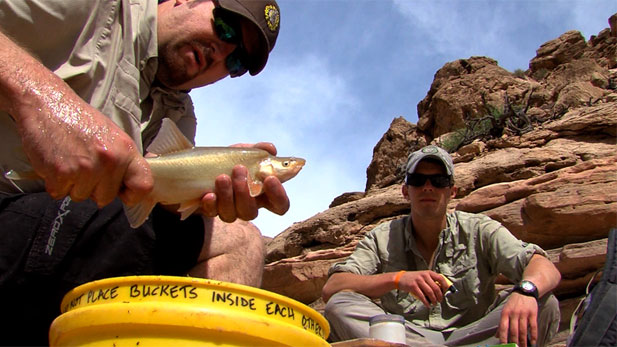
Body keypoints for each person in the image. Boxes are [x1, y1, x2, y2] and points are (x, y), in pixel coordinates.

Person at [0, 0, 285, 344]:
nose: (220, 53)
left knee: (239, 238)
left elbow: (133, 215)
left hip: (45, 244)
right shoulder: (90, 8)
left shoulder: (179, 117)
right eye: (225, 27)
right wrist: (37, 97)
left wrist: (196, 192)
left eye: (236, 61)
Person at [322, 145, 562, 347]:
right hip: (408, 339)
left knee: (544, 302)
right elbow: (334, 287)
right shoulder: (383, 237)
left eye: (438, 181)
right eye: (418, 180)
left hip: (474, 336)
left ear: (452, 191)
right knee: (340, 305)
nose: (428, 187)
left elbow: (542, 265)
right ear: (406, 191)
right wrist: (398, 279)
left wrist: (526, 291)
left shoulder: (480, 229)